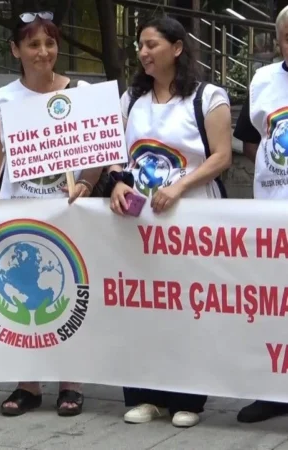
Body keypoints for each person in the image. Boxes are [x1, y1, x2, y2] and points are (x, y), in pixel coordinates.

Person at [0, 11, 103, 418]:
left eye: (49, 43)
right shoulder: (4, 98)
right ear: (16, 50)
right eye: (33, 44)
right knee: (25, 295)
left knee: (69, 295)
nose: (43, 52)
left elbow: (98, 155)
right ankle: (28, 384)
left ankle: (71, 383)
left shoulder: (80, 93)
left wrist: (85, 185)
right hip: (20, 218)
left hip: (67, 217)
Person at [106, 17, 232, 428]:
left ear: (177, 48)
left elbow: (221, 156)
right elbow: (115, 154)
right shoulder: (131, 99)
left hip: (192, 223)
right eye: (140, 45)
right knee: (141, 306)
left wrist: (179, 187)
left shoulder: (207, 97)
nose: (142, 52)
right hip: (139, 226)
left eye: (151, 44)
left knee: (189, 306)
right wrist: (117, 184)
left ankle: (189, 399)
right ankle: (145, 395)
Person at [230, 4, 288, 424]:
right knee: (271, 304)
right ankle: (272, 392)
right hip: (271, 214)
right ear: (280, 40)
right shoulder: (264, 80)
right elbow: (249, 140)